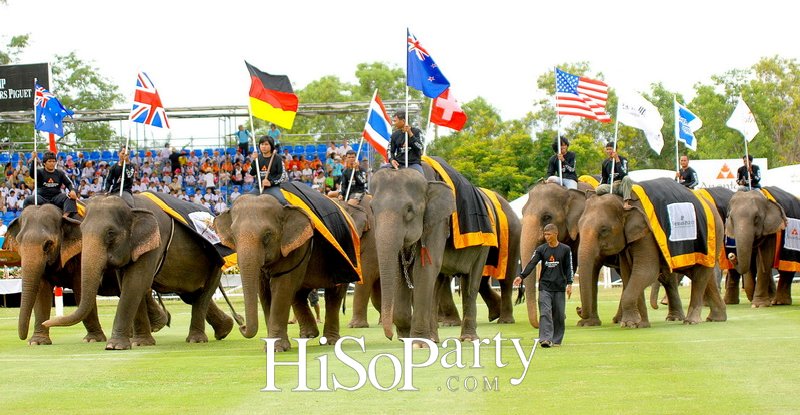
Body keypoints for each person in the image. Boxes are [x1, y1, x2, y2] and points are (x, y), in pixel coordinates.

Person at [513, 223, 573, 348]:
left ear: (556, 234)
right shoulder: (541, 249)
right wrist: (521, 276)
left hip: (559, 287)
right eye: (545, 234)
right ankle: (545, 339)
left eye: (549, 234)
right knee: (545, 312)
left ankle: (556, 340)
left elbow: (569, 268)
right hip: (545, 287)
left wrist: (569, 284)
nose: (546, 237)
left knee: (559, 315)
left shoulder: (565, 249)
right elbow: (531, 263)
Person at [22, 151, 78, 218]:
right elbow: (32, 174)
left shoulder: (60, 173)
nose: (52, 163)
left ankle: (65, 217)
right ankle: (24, 219)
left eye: (53, 161)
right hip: (42, 198)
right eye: (49, 161)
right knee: (28, 200)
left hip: (56, 197)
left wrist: (72, 190)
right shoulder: (40, 172)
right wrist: (34, 160)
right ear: (44, 163)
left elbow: (69, 183)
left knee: (70, 197)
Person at [248, 135, 287, 203]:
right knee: (244, 200)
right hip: (258, 187)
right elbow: (251, 172)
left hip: (273, 187)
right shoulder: (257, 158)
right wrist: (254, 160)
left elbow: (282, 176)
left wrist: (270, 183)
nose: (263, 146)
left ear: (271, 146)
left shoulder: (277, 158)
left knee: (282, 201)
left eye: (266, 144)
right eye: (262, 144)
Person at [596, 141, 633, 207]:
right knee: (598, 189)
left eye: (610, 149)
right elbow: (604, 178)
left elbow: (624, 174)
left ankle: (626, 202)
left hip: (622, 187)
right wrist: (601, 185)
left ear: (616, 150)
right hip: (612, 187)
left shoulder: (623, 160)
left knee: (627, 178)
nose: (608, 151)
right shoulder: (605, 163)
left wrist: (617, 159)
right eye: (607, 149)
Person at [388, 110, 424, 175]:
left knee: (422, 179)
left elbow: (420, 148)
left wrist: (410, 134)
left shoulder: (417, 132)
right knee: (381, 171)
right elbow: (390, 150)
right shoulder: (394, 135)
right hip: (399, 164)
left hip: (414, 164)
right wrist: (392, 160)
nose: (394, 123)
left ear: (403, 121)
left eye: (395, 121)